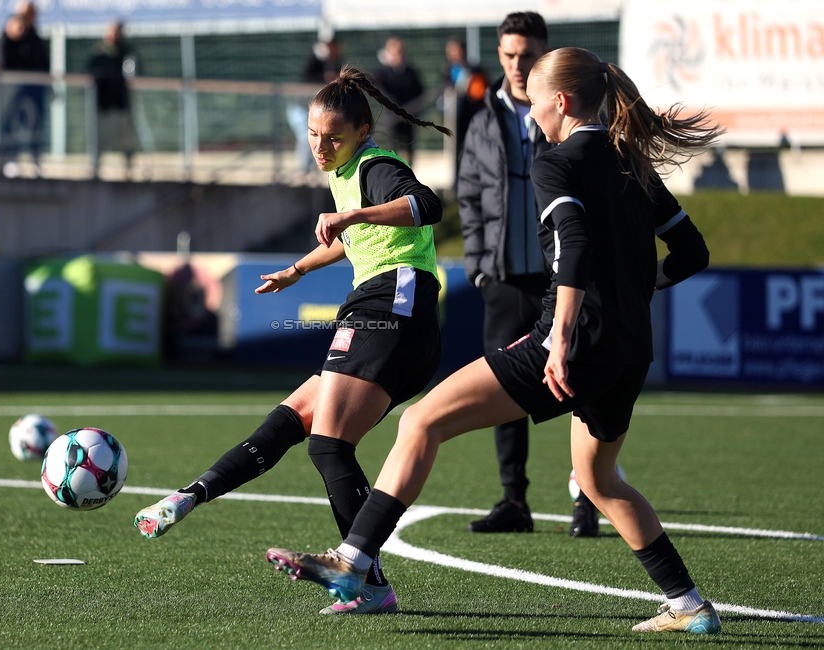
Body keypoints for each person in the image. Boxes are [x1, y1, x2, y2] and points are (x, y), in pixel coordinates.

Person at [266, 47, 726, 635]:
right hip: (629, 349)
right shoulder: (630, 162)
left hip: (570, 343)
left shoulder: (554, 163)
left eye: (534, 103)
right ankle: (689, 605)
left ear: (560, 102)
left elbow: (576, 243)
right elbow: (694, 254)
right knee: (599, 480)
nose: (530, 115)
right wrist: (630, 299)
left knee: (421, 422)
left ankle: (353, 562)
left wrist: (560, 336)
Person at [134, 65, 453, 616]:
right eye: (312, 134)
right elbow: (348, 234)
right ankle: (192, 494)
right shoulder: (348, 170)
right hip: (393, 313)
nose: (320, 146)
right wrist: (299, 269)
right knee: (294, 417)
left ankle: (363, 575)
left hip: (391, 305)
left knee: (327, 444)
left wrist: (351, 212)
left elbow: (427, 205)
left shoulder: (374, 167)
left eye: (332, 136)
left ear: (360, 130)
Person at [459, 11, 599, 539]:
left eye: (527, 55)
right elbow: (468, 197)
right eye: (509, 55)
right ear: (499, 55)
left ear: (544, 55)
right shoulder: (480, 119)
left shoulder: (565, 115)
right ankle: (513, 500)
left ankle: (586, 495)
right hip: (501, 279)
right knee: (505, 388)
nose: (517, 66)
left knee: (577, 384)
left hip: (560, 279)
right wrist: (478, 268)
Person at [0, 2, 49, 176]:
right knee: (8, 125)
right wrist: (11, 35)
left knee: (34, 127)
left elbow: (43, 64)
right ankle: (6, 160)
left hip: (33, 93)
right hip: (10, 93)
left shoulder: (35, 38)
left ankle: (35, 161)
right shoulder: (8, 34)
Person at [88, 20, 139, 179]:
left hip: (121, 104)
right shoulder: (98, 53)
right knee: (100, 141)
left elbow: (133, 72)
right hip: (103, 105)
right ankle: (96, 170)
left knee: (126, 140)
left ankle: (129, 170)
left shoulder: (126, 52)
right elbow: (90, 74)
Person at [286, 39, 343, 174]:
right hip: (300, 107)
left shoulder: (335, 63)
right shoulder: (316, 62)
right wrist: (319, 55)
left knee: (318, 138)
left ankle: (312, 168)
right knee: (305, 137)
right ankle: (304, 169)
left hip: (316, 111)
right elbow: (307, 76)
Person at [372, 38, 424, 164]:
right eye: (395, 52)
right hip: (392, 117)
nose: (398, 55)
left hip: (409, 114)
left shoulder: (411, 72)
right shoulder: (384, 72)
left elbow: (419, 91)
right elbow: (374, 81)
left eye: (400, 52)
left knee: (409, 146)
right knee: (393, 147)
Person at [441, 37, 488, 167]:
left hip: (472, 113)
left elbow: (482, 90)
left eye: (458, 50)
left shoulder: (475, 70)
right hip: (454, 116)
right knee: (456, 148)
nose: (455, 54)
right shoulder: (446, 70)